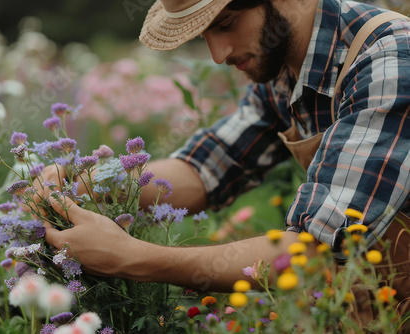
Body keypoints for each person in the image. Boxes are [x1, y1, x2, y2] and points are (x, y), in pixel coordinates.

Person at [37, 0, 410, 327]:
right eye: (204, 35)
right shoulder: (287, 65)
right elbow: (204, 169)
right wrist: (88, 182)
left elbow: (314, 250)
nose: (218, 54)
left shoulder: (388, 60)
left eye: (226, 23)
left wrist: (133, 257)